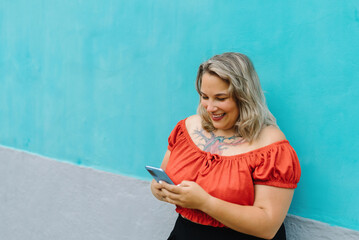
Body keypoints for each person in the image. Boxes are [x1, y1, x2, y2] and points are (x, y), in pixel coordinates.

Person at [150, 52, 301, 240]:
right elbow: (165, 173)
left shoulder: (271, 146)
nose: (210, 107)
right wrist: (159, 189)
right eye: (205, 96)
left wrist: (205, 202)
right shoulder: (187, 128)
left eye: (221, 98)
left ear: (244, 97)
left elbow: (268, 226)